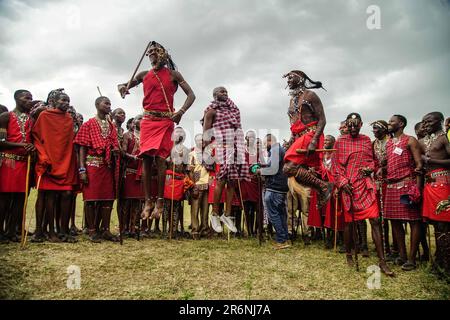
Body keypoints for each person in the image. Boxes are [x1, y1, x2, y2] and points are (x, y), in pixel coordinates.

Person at [118, 41, 195, 221]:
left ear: (163, 54)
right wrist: (122, 87)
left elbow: (191, 95)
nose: (151, 53)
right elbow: (124, 86)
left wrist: (181, 112)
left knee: (160, 160)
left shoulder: (173, 74)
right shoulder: (144, 74)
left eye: (155, 51)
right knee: (145, 158)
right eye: (149, 52)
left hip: (165, 120)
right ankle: (147, 201)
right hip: (148, 120)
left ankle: (160, 201)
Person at [333, 113, 394, 276]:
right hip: (349, 186)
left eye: (356, 125)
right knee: (348, 224)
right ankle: (348, 254)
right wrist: (343, 182)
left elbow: (372, 161)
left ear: (360, 125)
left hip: (365, 185)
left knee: (375, 220)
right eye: (349, 125)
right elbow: (336, 167)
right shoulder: (341, 142)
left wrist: (370, 168)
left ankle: (382, 261)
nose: (352, 128)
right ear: (346, 125)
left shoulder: (366, 140)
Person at [31, 91, 78, 243]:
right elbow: (36, 137)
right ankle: (50, 231)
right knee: (49, 196)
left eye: (68, 101)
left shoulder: (70, 119)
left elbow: (69, 141)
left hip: (66, 161)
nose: (66, 103)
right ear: (54, 101)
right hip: (49, 161)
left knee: (67, 194)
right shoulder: (44, 116)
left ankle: (63, 231)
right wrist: (43, 156)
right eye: (63, 100)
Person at [281, 70, 333, 209]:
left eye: (291, 77)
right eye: (287, 78)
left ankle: (323, 186)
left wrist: (314, 140)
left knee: (288, 168)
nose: (288, 80)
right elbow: (294, 125)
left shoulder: (311, 95)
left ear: (301, 79)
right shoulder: (292, 100)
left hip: (311, 134)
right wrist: (291, 140)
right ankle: (322, 188)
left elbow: (322, 120)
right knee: (295, 172)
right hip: (299, 137)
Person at [202, 87, 250, 233]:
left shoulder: (233, 111)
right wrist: (207, 155)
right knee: (221, 180)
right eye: (221, 92)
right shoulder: (211, 111)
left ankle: (227, 215)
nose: (225, 93)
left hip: (235, 148)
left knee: (232, 182)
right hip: (220, 147)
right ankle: (215, 214)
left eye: (226, 92)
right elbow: (206, 135)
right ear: (215, 95)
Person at [74, 96, 120, 242]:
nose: (109, 105)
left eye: (110, 103)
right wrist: (82, 170)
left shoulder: (111, 126)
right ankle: (92, 230)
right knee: (91, 199)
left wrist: (114, 150)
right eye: (106, 103)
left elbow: (114, 144)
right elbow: (82, 147)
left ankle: (105, 229)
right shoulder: (88, 124)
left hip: (107, 166)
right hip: (92, 165)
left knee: (108, 199)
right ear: (97, 105)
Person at [384, 115, 423, 271]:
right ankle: (402, 255)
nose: (389, 123)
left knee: (413, 221)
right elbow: (390, 163)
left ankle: (412, 259)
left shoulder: (410, 140)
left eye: (392, 121)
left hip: (407, 184)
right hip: (392, 187)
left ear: (401, 124)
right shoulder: (388, 144)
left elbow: (419, 164)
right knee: (394, 221)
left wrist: (417, 188)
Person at [0, 90, 35, 242]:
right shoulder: (5, 116)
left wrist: (32, 147)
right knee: (4, 199)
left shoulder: (31, 119)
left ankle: (12, 231)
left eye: (31, 98)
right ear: (16, 99)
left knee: (21, 199)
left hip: (24, 164)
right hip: (9, 162)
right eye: (26, 98)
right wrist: (21, 145)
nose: (29, 101)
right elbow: (1, 142)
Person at [420, 112, 450, 276]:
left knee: (443, 225)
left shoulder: (444, 138)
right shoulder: (425, 140)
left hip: (443, 184)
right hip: (429, 185)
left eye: (429, 121)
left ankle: (446, 266)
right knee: (435, 225)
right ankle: (440, 260)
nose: (425, 124)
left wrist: (431, 161)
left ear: (439, 121)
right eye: (424, 122)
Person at [256, 134, 289, 249]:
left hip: (275, 187)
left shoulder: (275, 149)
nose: (265, 146)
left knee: (273, 214)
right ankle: (285, 239)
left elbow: (273, 169)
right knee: (281, 214)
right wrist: (264, 165)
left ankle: (281, 240)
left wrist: (261, 171)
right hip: (281, 186)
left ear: (270, 141)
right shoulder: (280, 149)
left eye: (265, 144)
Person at [370, 120, 397, 259]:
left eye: (376, 129)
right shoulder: (373, 144)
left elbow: (396, 161)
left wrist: (384, 169)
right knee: (379, 216)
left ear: (384, 129)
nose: (374, 131)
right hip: (377, 182)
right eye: (373, 129)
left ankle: (396, 247)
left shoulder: (392, 142)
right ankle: (383, 244)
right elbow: (372, 161)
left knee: (392, 216)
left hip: (391, 181)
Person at [121, 115, 144, 238]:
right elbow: (123, 152)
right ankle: (124, 227)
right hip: (130, 170)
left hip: (141, 171)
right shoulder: (127, 135)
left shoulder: (146, 137)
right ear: (134, 123)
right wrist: (133, 157)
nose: (141, 122)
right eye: (139, 120)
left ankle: (134, 228)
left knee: (137, 201)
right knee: (127, 201)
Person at [188, 133, 210, 239]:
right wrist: (194, 185)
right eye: (199, 140)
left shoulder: (208, 154)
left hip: (207, 184)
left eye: (202, 140)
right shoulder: (192, 154)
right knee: (195, 209)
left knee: (205, 210)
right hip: (197, 184)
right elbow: (190, 171)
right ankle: (195, 230)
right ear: (195, 141)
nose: (201, 142)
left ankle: (204, 229)